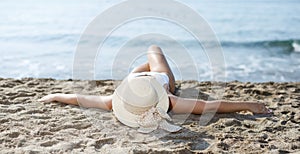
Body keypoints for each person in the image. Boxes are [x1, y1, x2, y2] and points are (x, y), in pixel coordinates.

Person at [39, 45, 271, 133]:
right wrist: (248, 105)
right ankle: (152, 59)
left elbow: (80, 98)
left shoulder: (114, 100)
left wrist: (56, 96)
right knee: (154, 50)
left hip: (140, 81)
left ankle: (147, 65)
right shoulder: (170, 100)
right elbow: (209, 106)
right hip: (152, 79)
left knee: (150, 57)